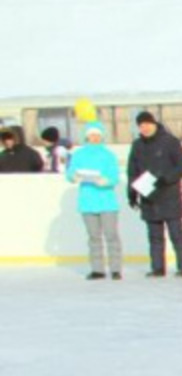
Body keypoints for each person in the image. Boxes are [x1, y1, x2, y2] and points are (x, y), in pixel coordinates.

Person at [127, 111, 182, 277]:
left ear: (154, 124)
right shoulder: (137, 145)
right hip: (149, 198)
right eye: (141, 126)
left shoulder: (170, 141)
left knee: (176, 235)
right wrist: (132, 193)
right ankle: (157, 268)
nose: (145, 128)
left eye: (148, 124)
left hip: (169, 196)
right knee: (155, 237)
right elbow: (132, 171)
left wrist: (167, 179)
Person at [65, 120, 123, 280]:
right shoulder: (79, 154)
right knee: (94, 237)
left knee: (111, 235)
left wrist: (106, 181)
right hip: (87, 201)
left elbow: (115, 176)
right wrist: (74, 177)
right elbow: (70, 172)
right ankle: (97, 269)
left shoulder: (108, 155)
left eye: (97, 135)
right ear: (87, 137)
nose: (95, 138)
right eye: (92, 135)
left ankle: (115, 268)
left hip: (107, 202)